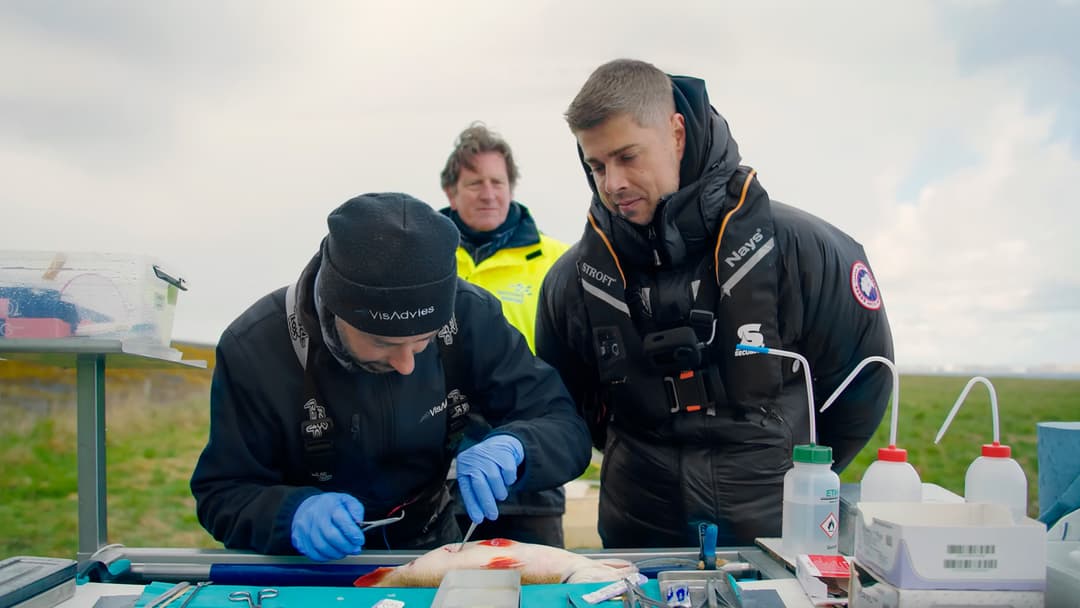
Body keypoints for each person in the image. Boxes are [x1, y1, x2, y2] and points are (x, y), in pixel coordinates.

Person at [536, 59, 895, 549]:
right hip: (637, 540)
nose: (612, 182)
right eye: (596, 165)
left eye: (627, 157)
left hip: (778, 539)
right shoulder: (571, 282)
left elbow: (862, 385)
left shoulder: (805, 249)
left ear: (676, 133)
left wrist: (797, 475)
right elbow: (571, 405)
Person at [191, 192, 592, 561]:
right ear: (334, 309)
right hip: (309, 569)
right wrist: (289, 515)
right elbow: (222, 494)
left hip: (431, 549)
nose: (406, 364)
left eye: (423, 341)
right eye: (382, 343)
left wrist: (519, 447)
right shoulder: (255, 346)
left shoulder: (471, 316)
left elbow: (564, 426)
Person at [438, 122, 572, 546]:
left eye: (497, 181)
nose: (488, 193)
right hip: (438, 473)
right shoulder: (422, 260)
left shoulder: (557, 260)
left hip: (530, 468)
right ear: (450, 192)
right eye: (474, 183)